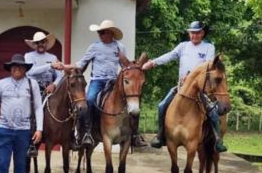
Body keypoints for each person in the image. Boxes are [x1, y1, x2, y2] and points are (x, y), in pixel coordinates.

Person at [142, 20, 227, 153]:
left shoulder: (209, 47)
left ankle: (218, 140)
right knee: (162, 106)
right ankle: (160, 136)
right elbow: (169, 56)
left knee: (213, 111)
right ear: (189, 33)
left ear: (202, 33)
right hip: (181, 87)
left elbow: (209, 65)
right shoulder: (183, 46)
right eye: (192, 33)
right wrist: (153, 62)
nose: (194, 36)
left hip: (200, 89)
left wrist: (191, 76)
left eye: (197, 33)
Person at [64, 20, 147, 148]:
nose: (100, 35)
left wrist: (134, 66)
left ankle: (134, 134)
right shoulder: (94, 47)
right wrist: (64, 66)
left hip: (114, 81)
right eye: (99, 32)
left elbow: (125, 67)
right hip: (97, 80)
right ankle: (86, 133)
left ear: (111, 33)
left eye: (102, 32)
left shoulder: (120, 47)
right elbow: (80, 64)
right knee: (90, 101)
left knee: (133, 101)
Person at [24, 31, 63, 155]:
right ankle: (32, 143)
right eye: (37, 43)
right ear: (34, 45)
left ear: (46, 43)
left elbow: (60, 75)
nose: (40, 44)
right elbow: (30, 72)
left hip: (50, 89)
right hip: (34, 89)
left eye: (42, 42)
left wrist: (54, 84)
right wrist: (50, 66)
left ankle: (71, 136)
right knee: (33, 111)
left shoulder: (52, 57)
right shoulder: (28, 56)